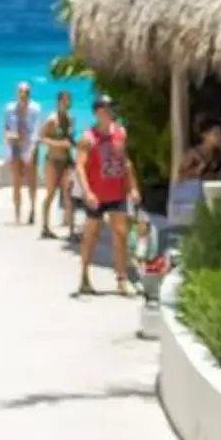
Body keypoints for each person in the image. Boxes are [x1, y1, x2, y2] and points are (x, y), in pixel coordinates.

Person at [74, 97, 138, 295]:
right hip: (97, 194)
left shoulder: (120, 133)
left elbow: (126, 162)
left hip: (117, 192)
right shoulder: (88, 137)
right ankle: (84, 276)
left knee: (121, 234)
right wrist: (87, 191)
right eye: (107, 108)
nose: (110, 112)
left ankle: (122, 278)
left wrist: (133, 187)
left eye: (111, 108)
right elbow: (80, 166)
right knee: (90, 236)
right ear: (98, 112)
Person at [37, 92, 79, 240]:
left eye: (69, 101)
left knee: (69, 193)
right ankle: (45, 227)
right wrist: (58, 143)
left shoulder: (70, 119)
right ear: (59, 102)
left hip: (67, 161)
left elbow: (70, 139)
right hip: (52, 161)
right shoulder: (51, 120)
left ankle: (72, 230)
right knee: (50, 193)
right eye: (66, 101)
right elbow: (41, 137)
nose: (68, 104)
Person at [3, 80, 43, 224]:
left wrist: (32, 150)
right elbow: (6, 127)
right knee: (16, 182)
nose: (23, 95)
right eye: (21, 92)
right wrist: (8, 139)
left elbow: (37, 130)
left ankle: (32, 208)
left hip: (29, 145)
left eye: (26, 92)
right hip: (15, 146)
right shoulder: (9, 109)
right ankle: (17, 213)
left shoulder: (36, 108)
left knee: (31, 180)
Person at [173, 122, 221, 226]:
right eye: (215, 134)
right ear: (205, 136)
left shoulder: (219, 155)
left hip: (210, 193)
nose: (219, 138)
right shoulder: (193, 153)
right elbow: (181, 175)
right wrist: (197, 171)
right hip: (193, 195)